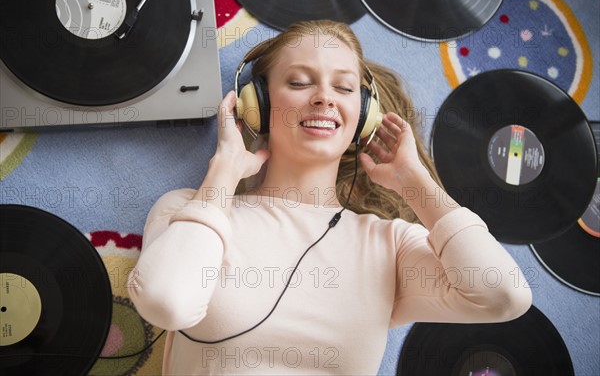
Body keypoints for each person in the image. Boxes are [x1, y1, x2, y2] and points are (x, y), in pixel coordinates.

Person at [128, 20, 532, 375]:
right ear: (258, 105)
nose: (325, 97)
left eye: (344, 87)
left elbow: (504, 296)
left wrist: (416, 185)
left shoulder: (390, 245)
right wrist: (224, 170)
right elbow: (165, 303)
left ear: (364, 115)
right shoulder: (191, 211)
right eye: (300, 82)